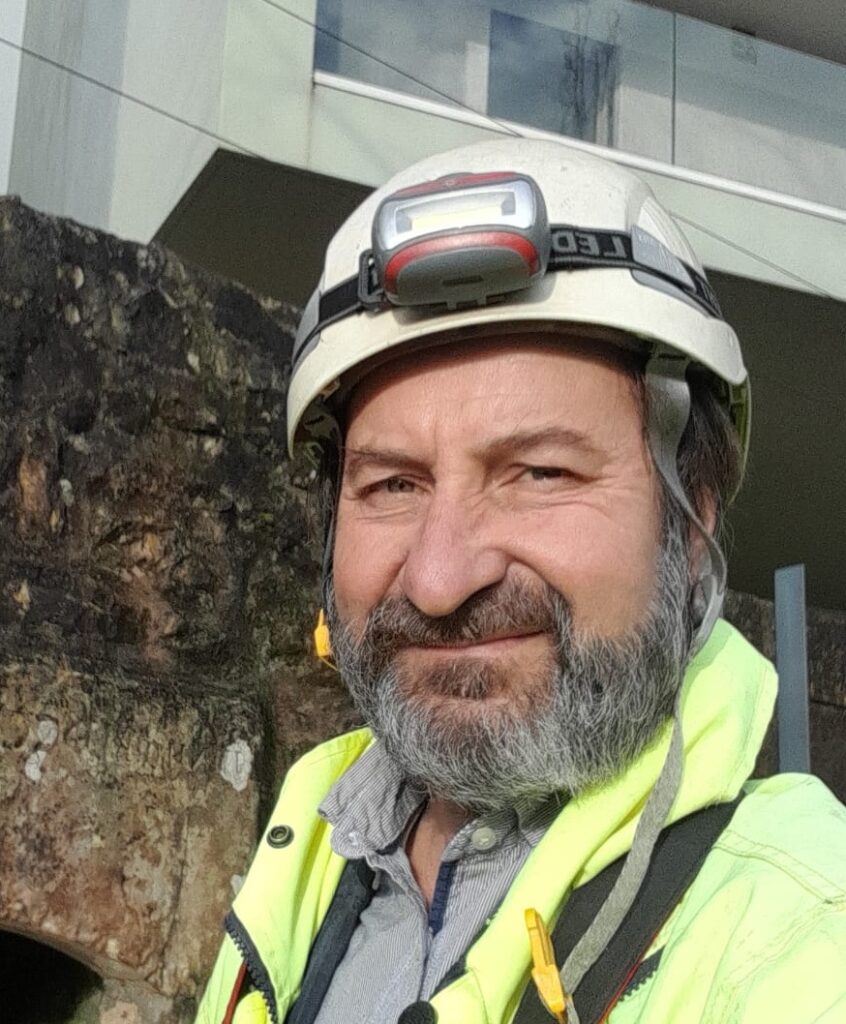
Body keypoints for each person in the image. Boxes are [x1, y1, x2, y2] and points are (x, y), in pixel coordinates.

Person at [195, 140, 846, 1024]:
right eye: (393, 485)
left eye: (540, 473)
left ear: (690, 527)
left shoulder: (803, 933)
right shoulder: (305, 857)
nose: (438, 580)